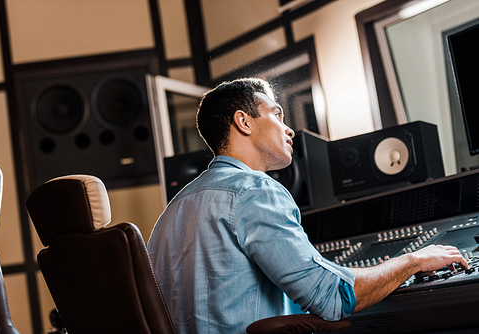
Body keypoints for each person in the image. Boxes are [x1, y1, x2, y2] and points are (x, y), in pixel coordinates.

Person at [146, 78, 468, 333]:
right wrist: (412, 261)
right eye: (276, 114)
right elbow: (333, 298)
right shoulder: (255, 190)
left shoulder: (170, 213)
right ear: (243, 122)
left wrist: (376, 272)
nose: (288, 129)